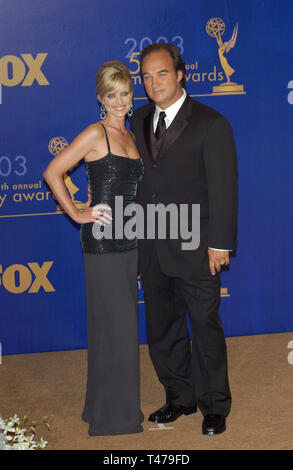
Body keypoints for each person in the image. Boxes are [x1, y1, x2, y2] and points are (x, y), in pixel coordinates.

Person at [130, 43, 238, 435]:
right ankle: (180, 397)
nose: (153, 82)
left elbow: (224, 188)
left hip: (197, 245)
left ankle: (214, 404)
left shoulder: (211, 123)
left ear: (180, 74)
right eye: (145, 76)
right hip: (152, 244)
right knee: (162, 327)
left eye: (161, 74)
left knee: (204, 325)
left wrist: (220, 243)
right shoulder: (138, 118)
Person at [43, 61, 144, 436]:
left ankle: (100, 406)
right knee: (112, 328)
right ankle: (114, 418)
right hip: (103, 243)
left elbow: (133, 192)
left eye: (125, 93)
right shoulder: (94, 133)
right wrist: (78, 212)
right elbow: (53, 172)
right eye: (111, 95)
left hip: (132, 241)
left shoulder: (132, 136)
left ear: (132, 95)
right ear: (101, 99)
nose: (119, 101)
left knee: (120, 328)